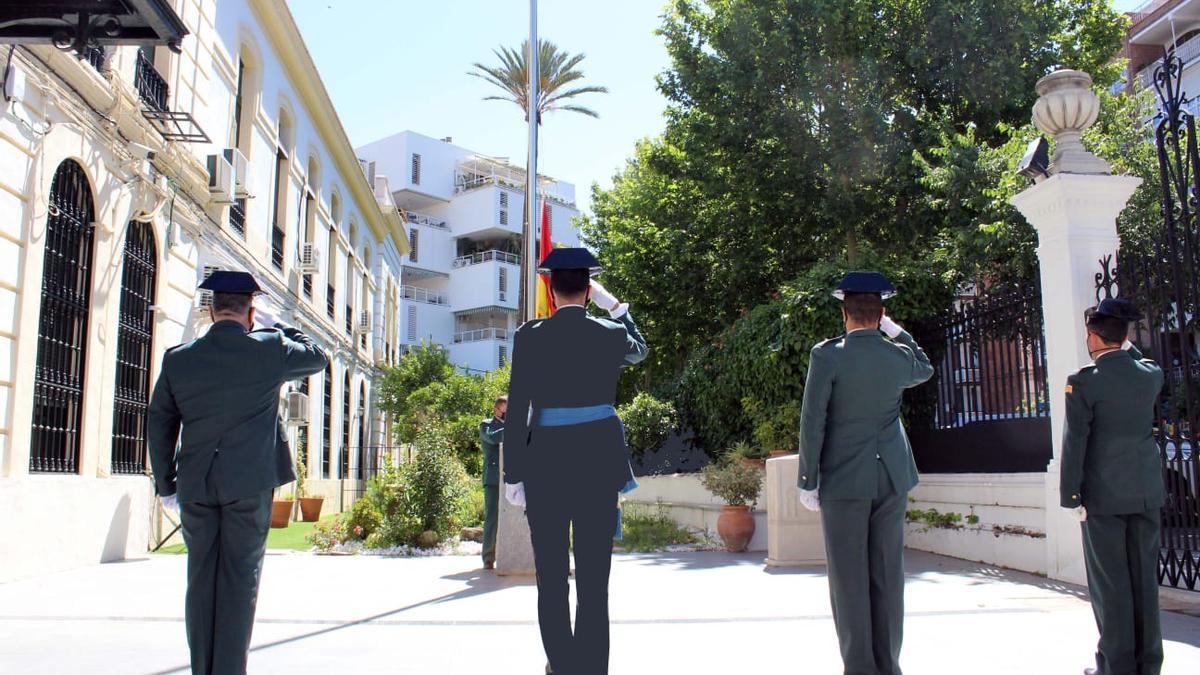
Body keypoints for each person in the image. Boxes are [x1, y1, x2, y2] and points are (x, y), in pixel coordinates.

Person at [148, 270, 328, 675]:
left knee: (201, 581)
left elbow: (159, 423)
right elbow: (317, 356)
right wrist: (277, 325)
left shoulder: (179, 358)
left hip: (196, 485)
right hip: (248, 485)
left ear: (211, 310)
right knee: (239, 581)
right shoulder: (269, 348)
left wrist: (166, 485)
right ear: (251, 312)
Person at [503, 247, 648, 675]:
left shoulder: (529, 336)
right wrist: (616, 307)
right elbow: (640, 350)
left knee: (551, 578)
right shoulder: (608, 333)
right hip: (597, 465)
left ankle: (562, 666)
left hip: (545, 465)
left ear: (549, 291)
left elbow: (517, 411)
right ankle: (592, 668)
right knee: (593, 579)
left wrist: (514, 473)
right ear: (588, 290)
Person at [796, 271, 934, 675]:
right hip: (892, 476)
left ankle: (859, 668)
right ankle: (889, 666)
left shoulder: (828, 355)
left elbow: (813, 420)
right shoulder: (897, 355)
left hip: (843, 479)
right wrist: (898, 331)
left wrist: (808, 479)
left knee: (849, 579)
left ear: (845, 314)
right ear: (880, 314)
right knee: (888, 575)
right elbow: (924, 367)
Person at [1061, 298, 1165, 675]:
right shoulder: (1149, 374)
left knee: (1111, 587)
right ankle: (1149, 664)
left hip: (1103, 498)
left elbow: (1076, 443)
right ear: (1124, 337)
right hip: (1146, 492)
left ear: (1091, 335)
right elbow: (1137, 357)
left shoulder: (1084, 382)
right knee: (1144, 584)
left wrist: (1071, 494)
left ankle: (1117, 666)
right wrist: (1121, 337)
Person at [479, 395, 507, 570]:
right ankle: (488, 557)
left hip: (514, 478)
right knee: (492, 518)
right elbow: (494, 438)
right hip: (494, 479)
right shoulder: (486, 424)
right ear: (497, 409)